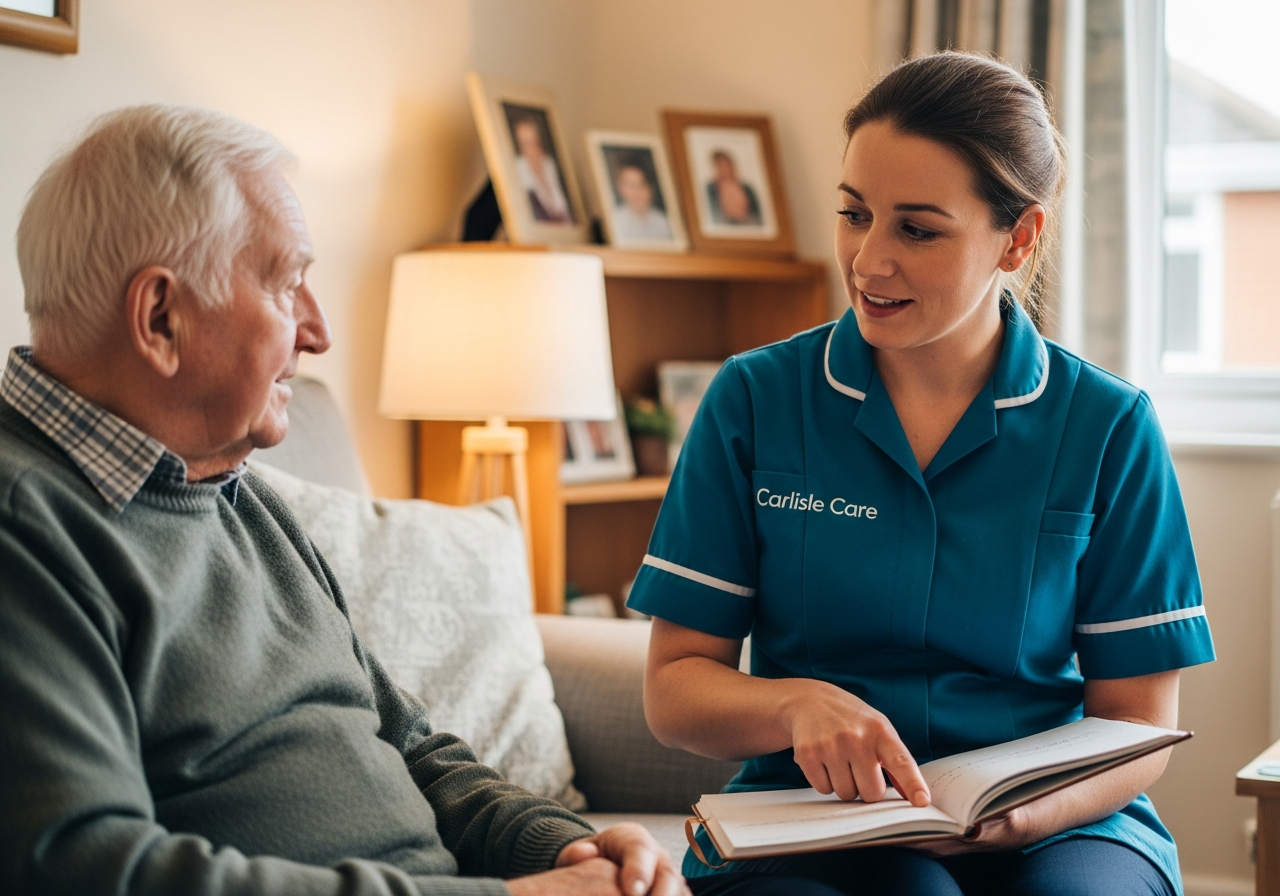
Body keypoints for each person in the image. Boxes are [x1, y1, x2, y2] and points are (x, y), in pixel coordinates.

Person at [0, 104, 686, 896]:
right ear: (161, 318)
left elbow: (410, 745)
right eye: (289, 283)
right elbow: (92, 869)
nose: (318, 331)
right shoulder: (28, 528)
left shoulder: (232, 494)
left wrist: (564, 851)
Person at [627, 52, 1215, 896]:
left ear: (1019, 238)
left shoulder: (1108, 426)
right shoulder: (754, 400)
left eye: (917, 228)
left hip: (1055, 819)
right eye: (854, 214)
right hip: (811, 816)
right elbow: (674, 689)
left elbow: (1138, 723)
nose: (868, 261)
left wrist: (1020, 819)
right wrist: (796, 706)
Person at [511, 114, 574, 224]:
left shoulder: (549, 164)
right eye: (525, 144)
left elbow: (562, 205)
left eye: (534, 143)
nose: (532, 150)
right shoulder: (518, 168)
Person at [610, 158, 673, 242]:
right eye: (631, 185)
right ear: (620, 188)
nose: (637, 191)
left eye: (641, 184)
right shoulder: (615, 221)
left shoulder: (663, 222)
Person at [705, 150, 761, 226]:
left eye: (727, 165)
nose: (725, 169)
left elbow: (757, 214)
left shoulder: (747, 188)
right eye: (720, 166)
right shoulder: (710, 189)